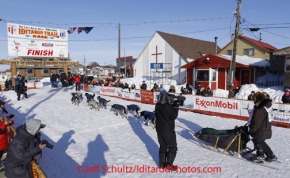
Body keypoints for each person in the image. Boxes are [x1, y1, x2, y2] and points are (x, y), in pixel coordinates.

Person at [155, 93, 181, 170]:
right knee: (173, 147)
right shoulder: (166, 106)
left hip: (159, 128)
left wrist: (173, 104)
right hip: (168, 129)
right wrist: (176, 106)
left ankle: (162, 164)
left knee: (163, 146)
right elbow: (173, 116)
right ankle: (169, 165)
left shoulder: (158, 104)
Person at [249, 92, 277, 163]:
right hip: (266, 128)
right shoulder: (266, 106)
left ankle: (260, 156)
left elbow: (256, 121)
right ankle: (271, 155)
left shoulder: (260, 109)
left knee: (258, 141)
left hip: (261, 129)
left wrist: (252, 129)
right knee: (260, 141)